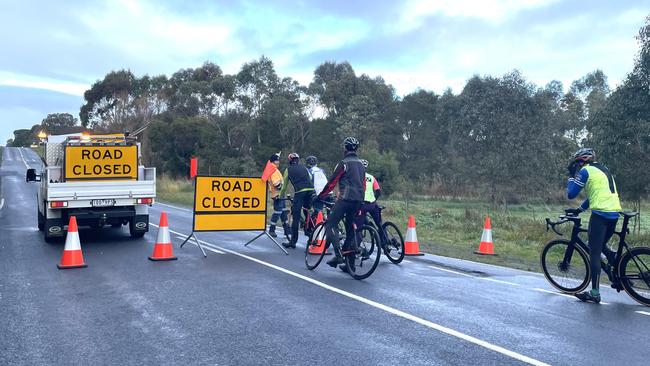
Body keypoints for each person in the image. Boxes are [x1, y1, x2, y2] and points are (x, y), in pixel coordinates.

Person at [567, 147, 621, 304]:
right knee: (598, 244)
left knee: (594, 252)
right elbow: (596, 195)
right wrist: (579, 209)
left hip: (600, 215)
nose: (577, 166)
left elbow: (571, 193)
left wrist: (571, 176)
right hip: (614, 214)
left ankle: (595, 293)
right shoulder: (604, 170)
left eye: (577, 163)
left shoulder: (585, 172)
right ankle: (614, 260)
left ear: (581, 161)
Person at [316, 137, 365, 270]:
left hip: (346, 198)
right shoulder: (361, 164)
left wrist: (321, 196)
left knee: (331, 224)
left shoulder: (343, 163)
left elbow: (332, 182)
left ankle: (338, 255)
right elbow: (363, 184)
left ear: (345, 148)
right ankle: (350, 264)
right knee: (350, 228)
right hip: (359, 199)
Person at [279, 153, 315, 249]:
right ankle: (309, 230)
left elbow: (284, 186)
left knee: (296, 217)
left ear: (290, 161)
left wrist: (279, 196)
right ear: (298, 160)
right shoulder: (304, 168)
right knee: (307, 210)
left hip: (300, 192)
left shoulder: (288, 170)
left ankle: (293, 242)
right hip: (311, 190)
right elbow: (310, 178)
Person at [354, 159, 383, 239]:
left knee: (358, 225)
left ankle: (357, 245)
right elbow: (378, 191)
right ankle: (385, 241)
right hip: (373, 204)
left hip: (362, 205)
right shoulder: (371, 177)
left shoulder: (356, 178)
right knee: (379, 223)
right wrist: (374, 200)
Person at [266, 153, 289, 238]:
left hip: (279, 194)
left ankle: (287, 231)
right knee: (278, 212)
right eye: (277, 160)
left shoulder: (274, 169)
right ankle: (272, 230)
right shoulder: (273, 170)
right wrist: (283, 187)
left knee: (283, 212)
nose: (278, 162)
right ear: (273, 161)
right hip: (278, 194)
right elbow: (276, 184)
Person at [305, 155, 331, 222]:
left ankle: (315, 226)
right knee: (330, 211)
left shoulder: (309, 171)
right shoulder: (322, 170)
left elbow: (309, 183)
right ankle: (331, 225)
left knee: (317, 210)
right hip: (329, 192)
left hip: (319, 193)